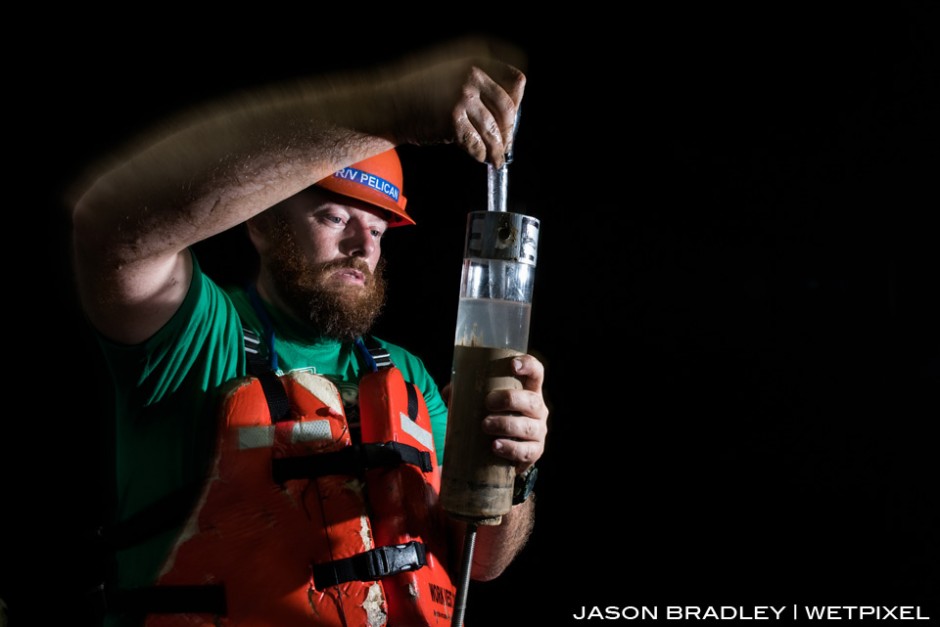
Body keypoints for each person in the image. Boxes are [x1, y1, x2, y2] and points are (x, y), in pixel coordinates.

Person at [69, 37, 548, 627]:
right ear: (262, 225)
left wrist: (513, 470)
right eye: (335, 217)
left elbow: (484, 563)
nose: (362, 246)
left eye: (379, 229)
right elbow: (109, 230)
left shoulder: (408, 376)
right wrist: (388, 110)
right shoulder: (192, 333)